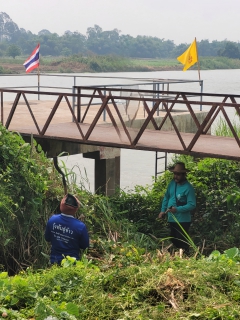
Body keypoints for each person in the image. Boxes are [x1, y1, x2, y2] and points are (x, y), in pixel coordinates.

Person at [158, 162, 196, 253]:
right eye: (175, 174)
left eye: (178, 174)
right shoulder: (172, 184)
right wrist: (162, 210)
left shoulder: (188, 188)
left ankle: (185, 258)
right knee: (174, 240)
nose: (175, 176)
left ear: (184, 174)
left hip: (183, 220)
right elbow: (167, 196)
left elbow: (192, 204)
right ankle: (175, 259)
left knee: (181, 241)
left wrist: (177, 209)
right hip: (171, 219)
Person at [45, 193, 89, 264]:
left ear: (61, 205)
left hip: (54, 262)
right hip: (72, 263)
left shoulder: (52, 220)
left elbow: (47, 238)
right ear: (76, 209)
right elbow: (85, 246)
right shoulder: (80, 226)